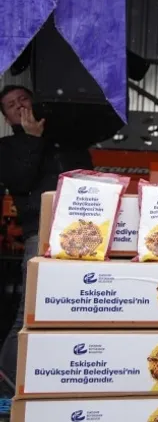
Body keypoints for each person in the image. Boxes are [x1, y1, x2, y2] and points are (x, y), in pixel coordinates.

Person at [0, 85, 95, 390]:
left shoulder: (67, 140)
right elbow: (20, 181)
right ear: (7, 117)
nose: (20, 106)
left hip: (79, 233)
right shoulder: (7, 147)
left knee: (73, 309)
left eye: (23, 99)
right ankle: (12, 381)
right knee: (29, 314)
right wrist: (31, 139)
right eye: (12, 105)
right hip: (39, 234)